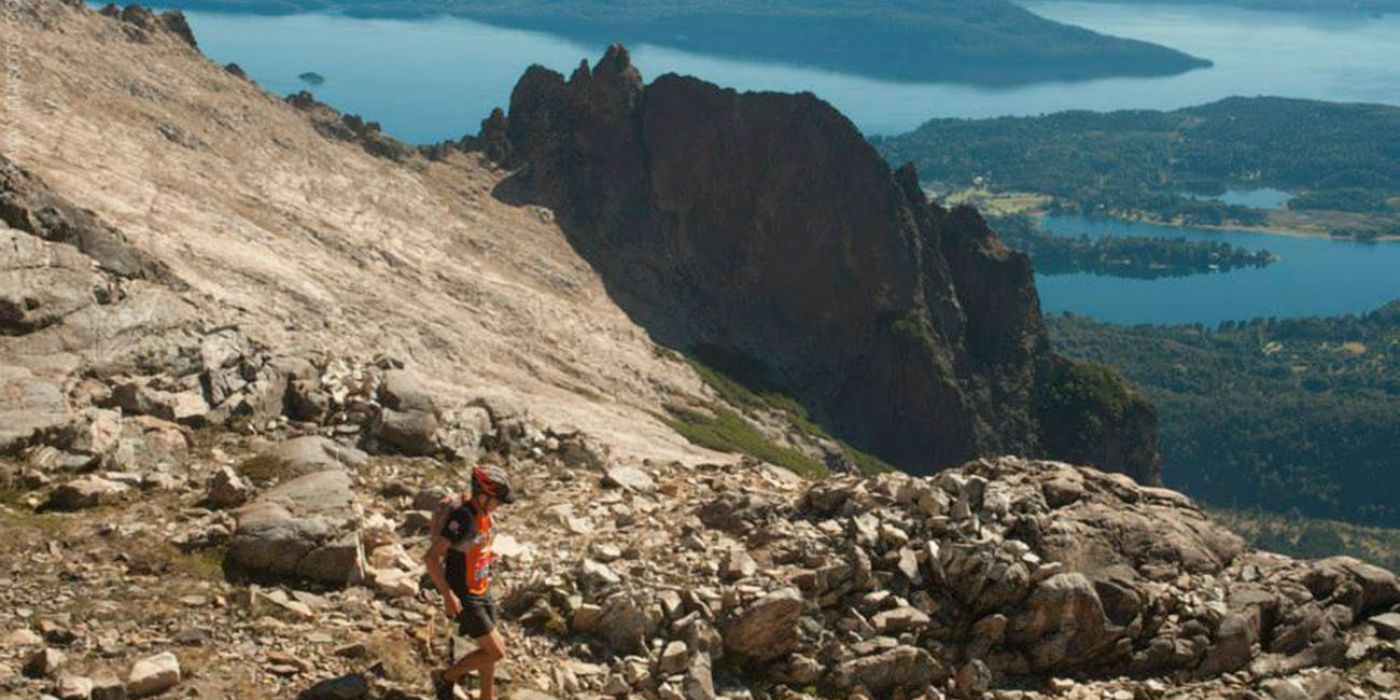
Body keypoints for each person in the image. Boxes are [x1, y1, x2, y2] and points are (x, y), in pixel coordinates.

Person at [425, 463, 514, 700]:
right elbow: (431, 558)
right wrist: (448, 596)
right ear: (483, 495)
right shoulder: (463, 518)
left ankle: (486, 696)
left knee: (488, 650)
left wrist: (487, 555)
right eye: (496, 500)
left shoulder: (484, 514)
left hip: (482, 588)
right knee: (496, 652)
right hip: (465, 594)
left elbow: (474, 545)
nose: (499, 506)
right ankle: (445, 677)